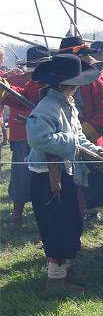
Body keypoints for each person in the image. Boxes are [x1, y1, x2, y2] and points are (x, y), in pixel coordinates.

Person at [24, 54, 103, 292]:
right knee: (57, 228)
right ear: (65, 84)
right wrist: (73, 141)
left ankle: (64, 271)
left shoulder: (66, 104)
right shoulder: (48, 106)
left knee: (72, 224)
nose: (77, 87)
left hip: (65, 173)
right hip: (48, 178)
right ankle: (55, 281)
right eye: (74, 83)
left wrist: (97, 152)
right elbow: (39, 138)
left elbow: (79, 137)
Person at [57, 37, 103, 252]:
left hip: (90, 145)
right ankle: (72, 240)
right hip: (61, 149)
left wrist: (85, 133)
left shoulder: (95, 82)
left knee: (102, 194)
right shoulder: (52, 84)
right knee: (68, 197)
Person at [3, 46, 51, 226]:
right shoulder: (15, 80)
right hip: (27, 134)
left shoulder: (15, 79)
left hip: (33, 133)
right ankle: (18, 216)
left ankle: (19, 216)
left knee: (31, 176)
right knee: (23, 177)